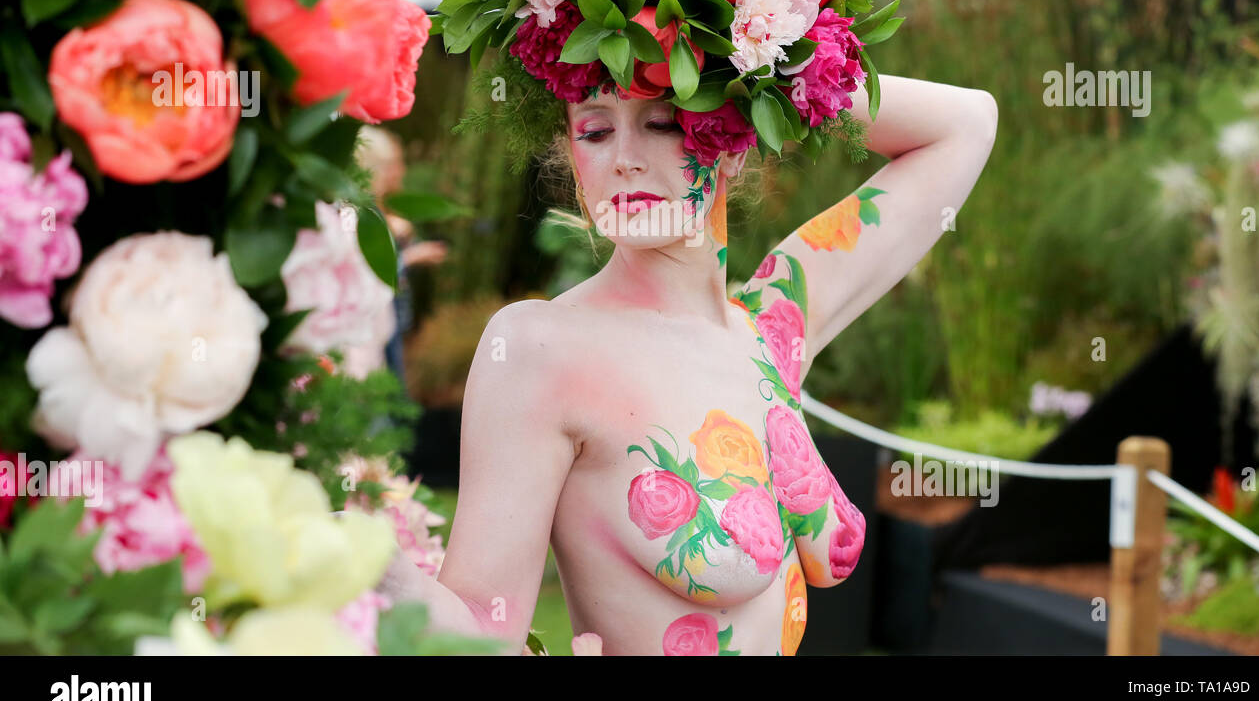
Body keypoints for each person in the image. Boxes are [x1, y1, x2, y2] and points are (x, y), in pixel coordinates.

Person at [378, 74, 997, 655]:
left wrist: (767, 58)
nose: (624, 157)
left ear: (733, 142)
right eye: (595, 130)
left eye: (664, 122)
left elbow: (966, 125)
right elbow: (480, 633)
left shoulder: (772, 327)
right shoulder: (541, 347)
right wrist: (361, 561)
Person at [354, 126, 448, 377]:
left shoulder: (376, 212)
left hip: (385, 323)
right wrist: (411, 257)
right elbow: (366, 275)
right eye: (391, 165)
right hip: (372, 327)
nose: (397, 173)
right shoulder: (359, 216)